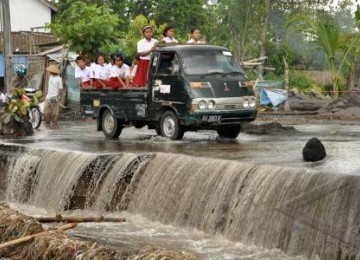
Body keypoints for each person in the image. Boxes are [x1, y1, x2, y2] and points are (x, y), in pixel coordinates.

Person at [44, 64, 63, 128]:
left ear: (53, 72)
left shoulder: (59, 79)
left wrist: (58, 96)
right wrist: (46, 93)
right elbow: (48, 86)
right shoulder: (50, 77)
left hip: (55, 97)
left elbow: (60, 89)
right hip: (48, 96)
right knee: (46, 110)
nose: (49, 72)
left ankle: (54, 123)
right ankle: (47, 122)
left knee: (54, 112)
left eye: (50, 71)